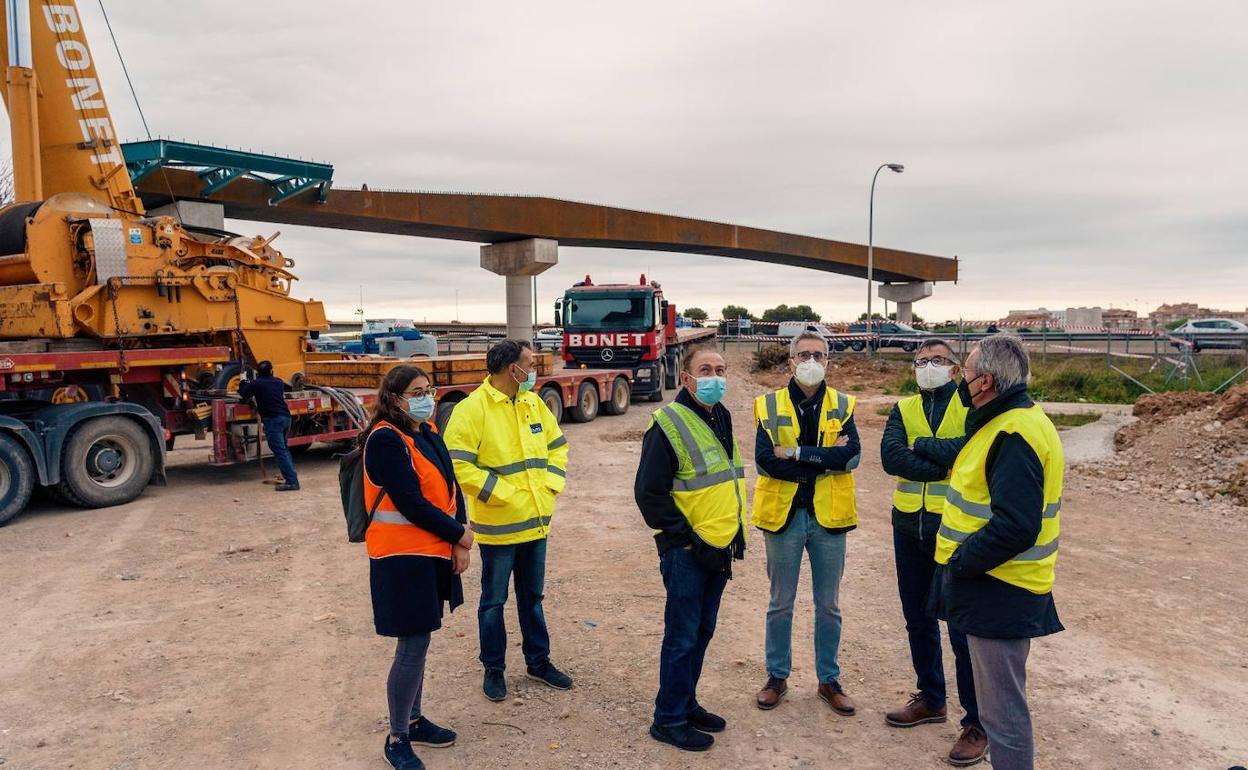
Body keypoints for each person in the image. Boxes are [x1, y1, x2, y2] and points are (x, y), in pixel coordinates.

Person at [930, 334, 1065, 770]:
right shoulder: (1010, 419)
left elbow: (1017, 525)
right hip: (998, 585)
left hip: (1000, 587)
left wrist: (961, 561)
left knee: (1002, 714)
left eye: (964, 373)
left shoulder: (1014, 431)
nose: (959, 381)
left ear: (985, 381)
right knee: (998, 708)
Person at [443, 339, 572, 703]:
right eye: (528, 365)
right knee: (493, 601)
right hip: (500, 527)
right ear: (510, 369)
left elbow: (558, 447)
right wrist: (503, 495)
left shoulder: (532, 403)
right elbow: (458, 464)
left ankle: (539, 662)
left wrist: (551, 485)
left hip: (536, 522)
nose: (533, 371)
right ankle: (494, 669)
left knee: (532, 597)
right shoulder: (472, 410)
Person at [879, 339, 987, 766]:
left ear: (956, 369)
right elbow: (891, 458)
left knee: (961, 628)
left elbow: (969, 453)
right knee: (918, 620)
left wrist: (919, 446)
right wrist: (940, 457)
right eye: (921, 362)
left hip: (955, 530)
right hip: (909, 526)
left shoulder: (971, 405)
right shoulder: (903, 408)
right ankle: (931, 697)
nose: (928, 367)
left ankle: (976, 722)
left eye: (938, 361)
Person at [361, 365, 474, 770]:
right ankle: (397, 736)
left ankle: (414, 717)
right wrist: (459, 535)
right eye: (417, 391)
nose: (426, 396)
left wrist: (457, 537)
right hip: (400, 560)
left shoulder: (427, 433)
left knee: (420, 642)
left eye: (429, 389)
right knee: (411, 646)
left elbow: (450, 486)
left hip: (431, 554)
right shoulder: (385, 441)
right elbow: (410, 502)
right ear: (394, 398)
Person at [634, 344, 746, 752]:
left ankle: (686, 702)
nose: (715, 376)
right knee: (681, 637)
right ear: (686, 378)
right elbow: (649, 494)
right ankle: (668, 719)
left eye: (720, 369)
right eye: (705, 369)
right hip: (686, 551)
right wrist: (685, 538)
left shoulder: (721, 415)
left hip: (717, 546)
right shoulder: (667, 422)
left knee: (702, 631)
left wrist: (730, 536)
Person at [752, 331, 861, 716]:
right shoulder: (768, 405)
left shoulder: (843, 404)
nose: (811, 361)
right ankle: (776, 676)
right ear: (790, 362)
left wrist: (797, 454)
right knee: (780, 603)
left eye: (818, 354)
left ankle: (828, 680)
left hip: (828, 520)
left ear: (828, 362)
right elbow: (766, 460)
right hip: (784, 519)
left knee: (828, 605)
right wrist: (821, 459)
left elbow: (850, 458)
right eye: (804, 355)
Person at [238, 360, 299, 491]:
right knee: (283, 448)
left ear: (258, 373)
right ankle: (290, 476)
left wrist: (243, 380)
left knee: (280, 451)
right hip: (286, 418)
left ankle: (292, 482)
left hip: (273, 420)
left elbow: (243, 392)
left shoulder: (257, 383)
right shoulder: (278, 382)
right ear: (271, 371)